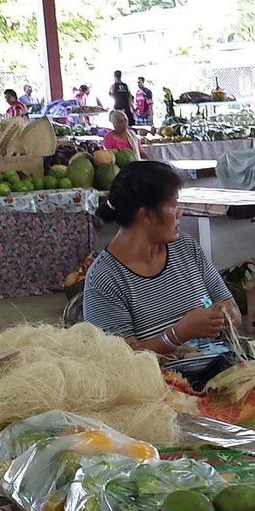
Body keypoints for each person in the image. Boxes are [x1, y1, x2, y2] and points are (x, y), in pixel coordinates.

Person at [83, 161, 240, 389]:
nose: (180, 213)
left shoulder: (185, 247)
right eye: (173, 205)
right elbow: (119, 366)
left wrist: (227, 317)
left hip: (223, 372)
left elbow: (231, 307)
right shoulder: (105, 280)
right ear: (146, 214)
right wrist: (179, 334)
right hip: (160, 392)